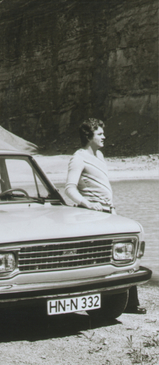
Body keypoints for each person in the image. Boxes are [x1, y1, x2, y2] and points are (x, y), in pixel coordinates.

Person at [65, 118, 146, 314]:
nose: (104, 137)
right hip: (91, 216)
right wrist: (88, 204)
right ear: (89, 135)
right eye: (100, 133)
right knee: (97, 258)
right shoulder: (79, 157)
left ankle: (130, 302)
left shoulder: (100, 155)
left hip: (109, 213)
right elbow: (69, 188)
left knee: (125, 251)